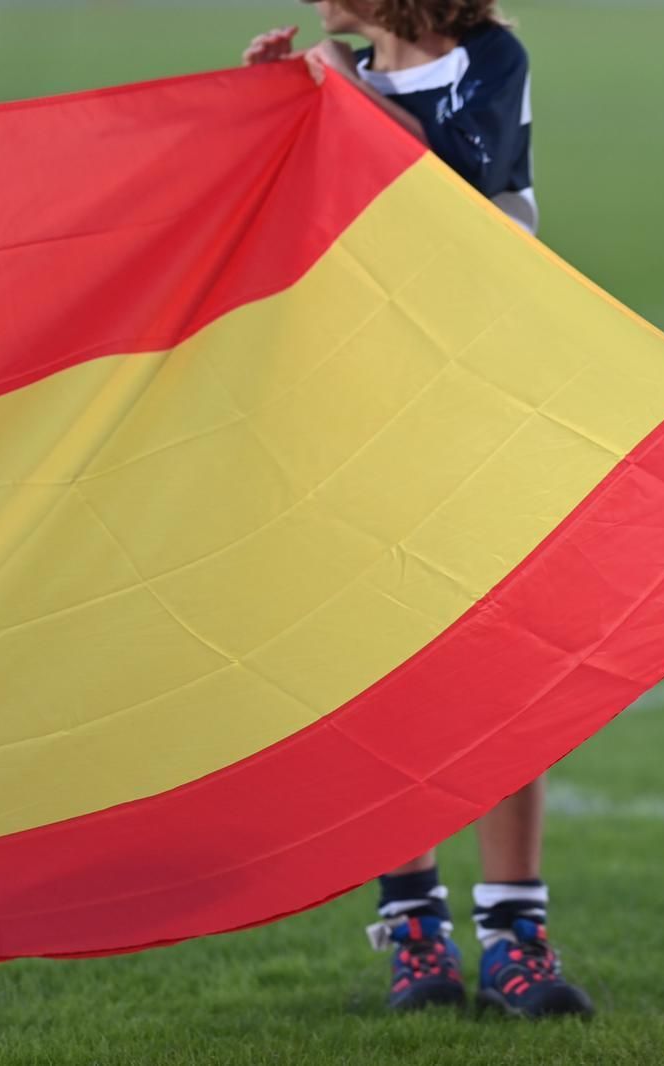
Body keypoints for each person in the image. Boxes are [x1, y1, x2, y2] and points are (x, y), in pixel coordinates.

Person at [242, 1, 589, 1019]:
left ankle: (515, 933)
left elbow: (444, 187)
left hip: (484, 393)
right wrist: (268, 106)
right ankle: (412, 926)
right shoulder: (334, 68)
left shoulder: (487, 58)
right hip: (367, 400)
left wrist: (332, 94)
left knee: (507, 669)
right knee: (388, 663)